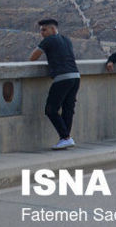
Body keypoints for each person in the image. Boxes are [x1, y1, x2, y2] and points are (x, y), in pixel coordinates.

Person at [29, 18, 80, 150]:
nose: (42, 33)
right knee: (68, 109)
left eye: (44, 30)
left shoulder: (49, 40)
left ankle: (65, 137)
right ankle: (66, 139)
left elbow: (33, 57)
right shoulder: (66, 40)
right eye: (41, 31)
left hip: (62, 78)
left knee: (51, 109)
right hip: (75, 76)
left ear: (52, 29)